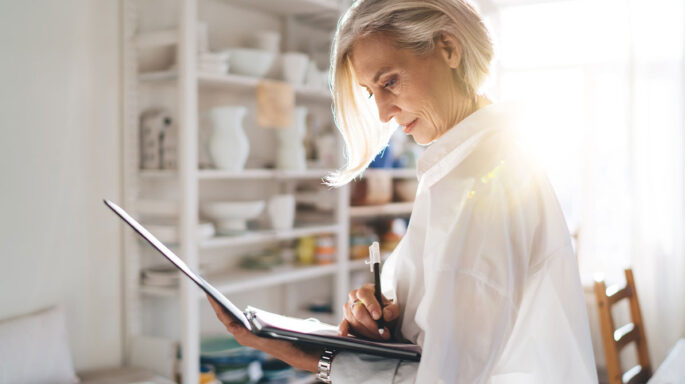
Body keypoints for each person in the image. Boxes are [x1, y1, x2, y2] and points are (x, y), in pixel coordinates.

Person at [207, 0, 598, 382]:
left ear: (448, 48)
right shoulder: (462, 169)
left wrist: (312, 357)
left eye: (389, 81)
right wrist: (383, 316)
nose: (381, 112)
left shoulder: (481, 185)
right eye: (370, 92)